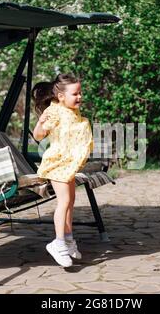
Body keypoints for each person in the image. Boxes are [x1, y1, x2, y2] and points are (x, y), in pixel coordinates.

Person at [32, 73, 94, 267]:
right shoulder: (55, 111)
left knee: (71, 201)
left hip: (69, 164)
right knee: (64, 200)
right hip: (57, 163)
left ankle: (68, 239)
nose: (80, 97)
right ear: (61, 96)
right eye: (75, 94)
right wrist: (41, 122)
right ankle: (57, 244)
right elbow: (38, 136)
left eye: (80, 92)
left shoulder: (72, 111)